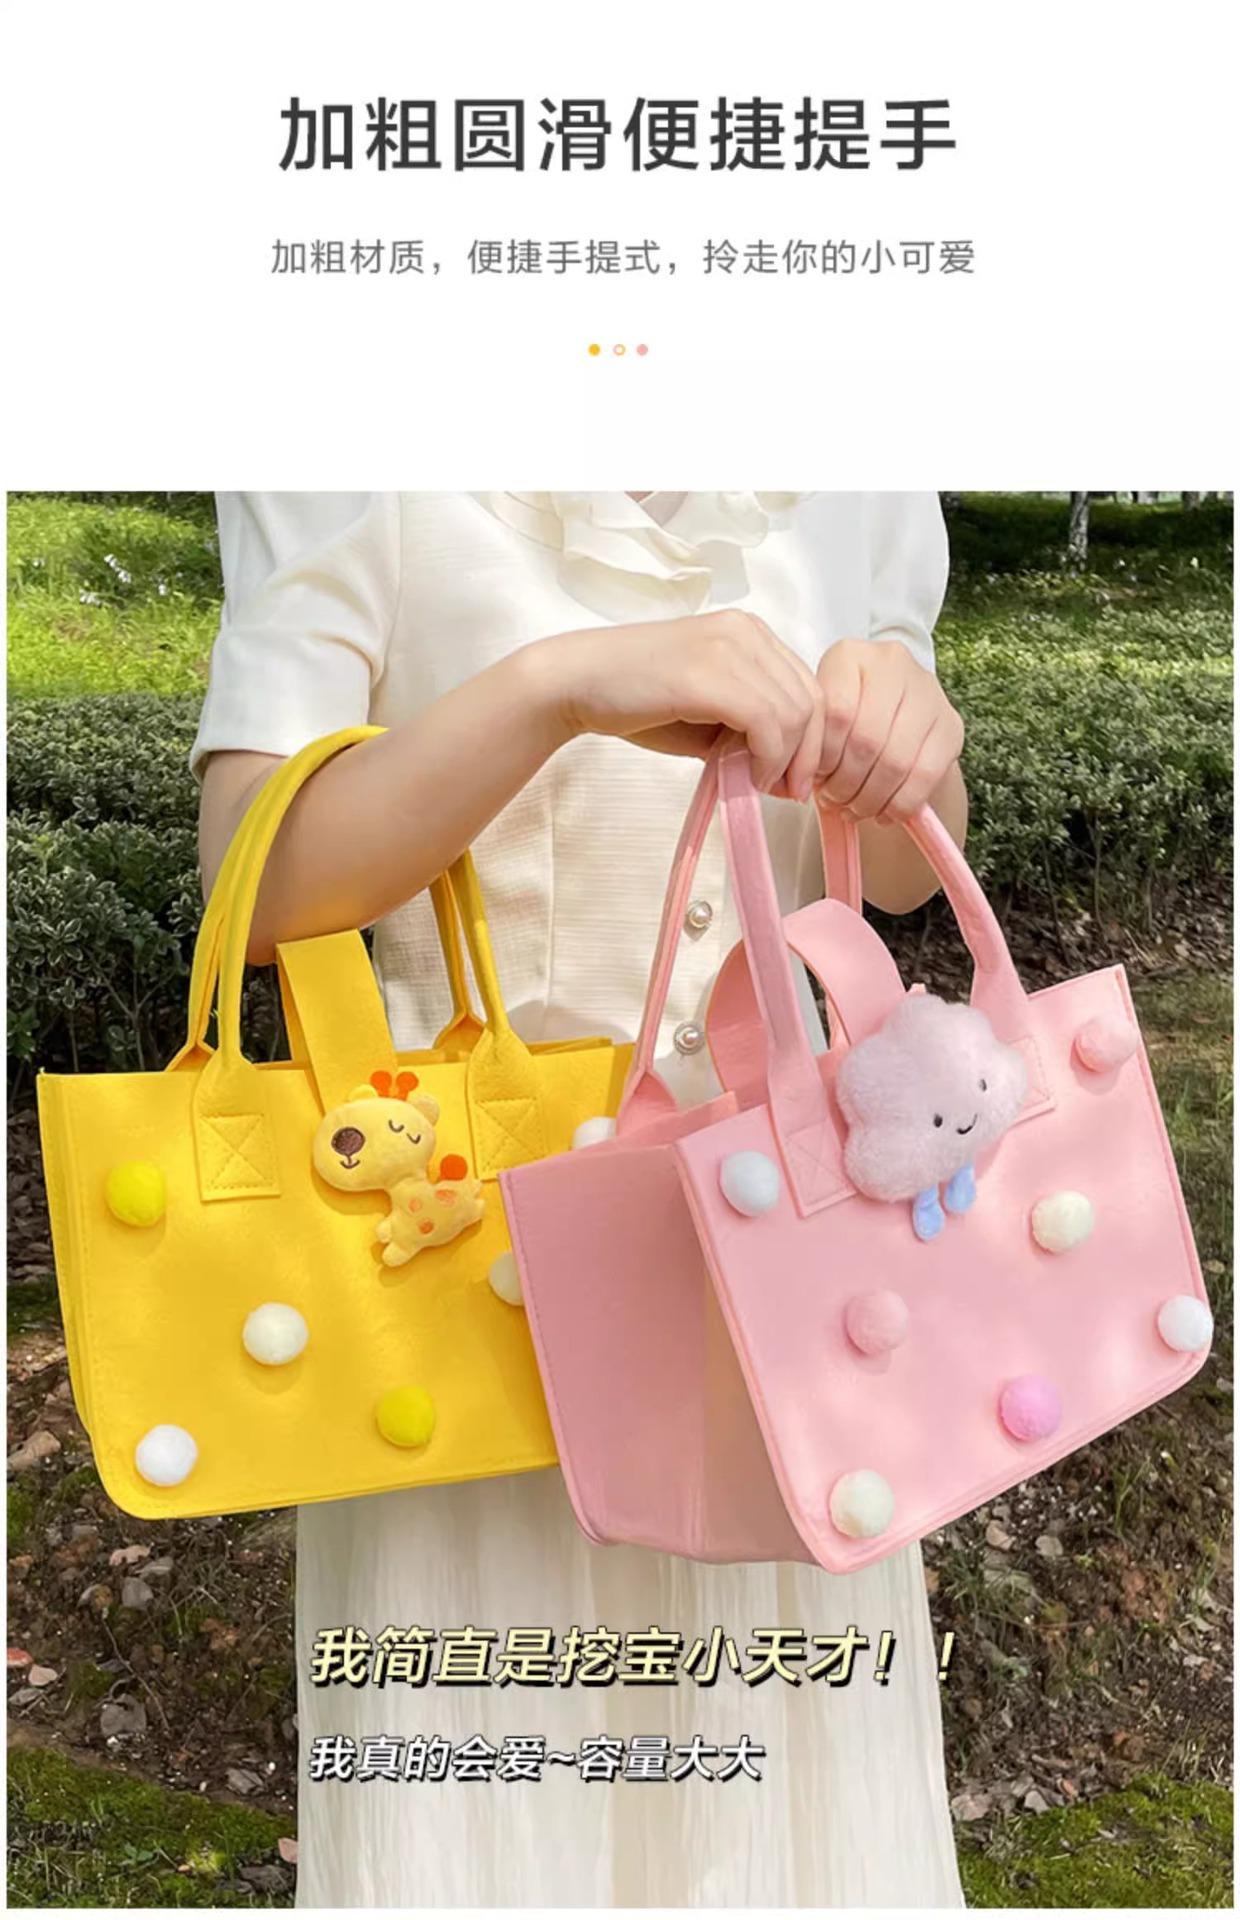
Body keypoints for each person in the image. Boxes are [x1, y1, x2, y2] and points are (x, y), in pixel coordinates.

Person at [193, 491, 967, 1908]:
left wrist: (909, 740)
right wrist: (554, 689)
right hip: (469, 1294)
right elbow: (256, 877)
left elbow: (907, 875)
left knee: (786, 1802)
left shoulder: (855, 466)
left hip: (783, 1279)